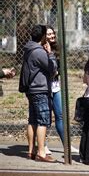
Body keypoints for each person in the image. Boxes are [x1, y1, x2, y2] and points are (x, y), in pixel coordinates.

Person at [19, 24, 57, 162]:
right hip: (40, 89)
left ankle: (31, 151)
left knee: (33, 120)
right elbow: (52, 69)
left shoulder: (29, 48)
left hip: (31, 90)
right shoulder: (39, 51)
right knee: (43, 121)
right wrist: (50, 54)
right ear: (42, 37)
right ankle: (41, 152)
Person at [45, 26, 79, 153]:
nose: (52, 36)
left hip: (56, 86)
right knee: (45, 117)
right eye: (49, 34)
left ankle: (67, 146)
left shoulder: (58, 49)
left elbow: (58, 69)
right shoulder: (40, 49)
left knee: (60, 115)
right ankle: (43, 145)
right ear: (44, 36)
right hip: (44, 87)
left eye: (53, 33)